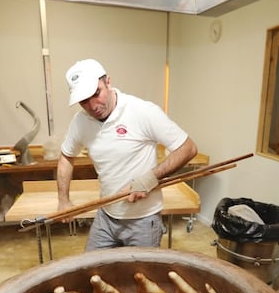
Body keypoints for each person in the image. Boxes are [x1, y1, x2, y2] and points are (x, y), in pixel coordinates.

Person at [56, 59, 198, 250]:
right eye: (84, 101)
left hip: (143, 220)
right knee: (93, 266)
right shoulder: (81, 121)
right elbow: (66, 156)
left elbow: (188, 148)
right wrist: (63, 200)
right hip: (106, 216)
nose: (92, 105)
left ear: (108, 82)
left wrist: (148, 180)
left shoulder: (142, 111)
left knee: (140, 269)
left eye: (96, 94)